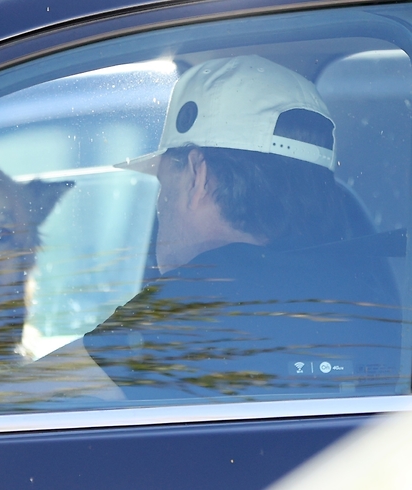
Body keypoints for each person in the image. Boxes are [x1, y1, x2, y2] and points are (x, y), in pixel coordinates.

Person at [78, 55, 404, 401]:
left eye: (163, 183)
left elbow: (32, 395)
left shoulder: (200, 297)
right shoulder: (366, 295)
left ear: (197, 175)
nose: (160, 205)